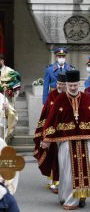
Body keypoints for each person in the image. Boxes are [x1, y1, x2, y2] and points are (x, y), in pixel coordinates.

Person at [41, 70, 90, 210]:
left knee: (84, 171)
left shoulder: (87, 98)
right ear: (67, 84)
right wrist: (47, 139)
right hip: (66, 142)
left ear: (78, 84)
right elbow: (51, 120)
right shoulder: (59, 100)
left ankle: (80, 198)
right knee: (67, 173)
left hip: (85, 142)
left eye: (75, 85)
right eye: (70, 85)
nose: (73, 88)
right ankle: (67, 198)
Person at [33, 73, 67, 194]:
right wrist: (44, 133)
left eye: (62, 84)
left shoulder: (68, 96)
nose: (60, 86)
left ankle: (65, 181)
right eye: (58, 83)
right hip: (51, 132)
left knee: (65, 158)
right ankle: (54, 181)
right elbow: (45, 114)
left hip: (65, 133)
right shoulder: (52, 95)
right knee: (53, 156)